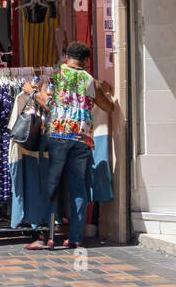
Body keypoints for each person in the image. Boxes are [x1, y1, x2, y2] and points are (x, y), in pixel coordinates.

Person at [25, 41, 114, 251]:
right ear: (85, 60)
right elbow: (108, 107)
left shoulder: (55, 77)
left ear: (66, 57)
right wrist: (106, 94)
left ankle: (47, 236)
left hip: (57, 137)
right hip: (81, 140)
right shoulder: (91, 81)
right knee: (78, 189)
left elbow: (46, 102)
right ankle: (75, 238)